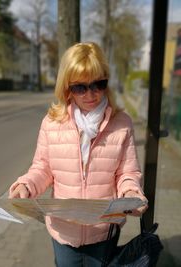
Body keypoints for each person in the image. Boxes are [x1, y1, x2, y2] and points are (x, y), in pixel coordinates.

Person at [9, 42, 148, 267]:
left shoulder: (122, 124)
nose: (90, 94)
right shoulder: (51, 123)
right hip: (63, 232)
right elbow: (42, 167)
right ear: (67, 87)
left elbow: (127, 171)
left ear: (106, 82)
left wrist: (131, 192)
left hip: (104, 233)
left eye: (98, 84)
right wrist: (26, 185)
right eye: (80, 88)